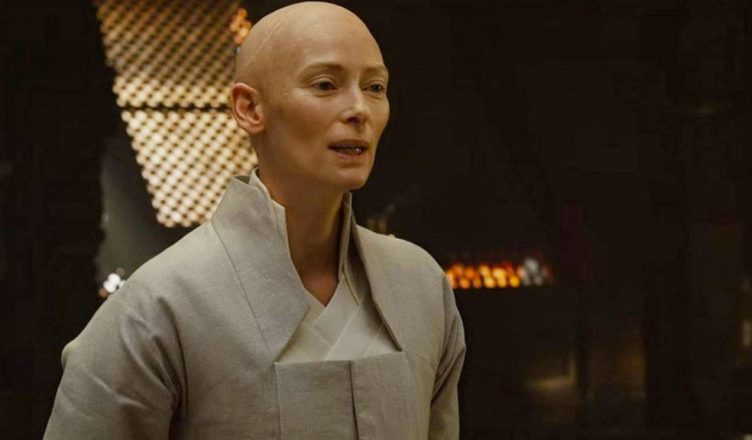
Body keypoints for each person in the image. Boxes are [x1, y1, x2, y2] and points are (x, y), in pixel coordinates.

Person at [44, 2, 465, 439]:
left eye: (375, 87)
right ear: (248, 108)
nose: (360, 109)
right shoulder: (158, 308)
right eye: (325, 85)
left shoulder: (420, 287)